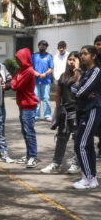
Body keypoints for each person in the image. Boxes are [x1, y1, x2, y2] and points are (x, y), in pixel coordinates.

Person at [40, 51, 81, 174]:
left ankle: (76, 165)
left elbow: (79, 85)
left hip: (77, 111)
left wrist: (78, 69)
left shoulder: (81, 75)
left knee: (77, 140)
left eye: (74, 59)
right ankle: (56, 163)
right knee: (61, 138)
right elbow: (58, 92)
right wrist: (57, 108)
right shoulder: (63, 76)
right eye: (70, 59)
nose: (71, 62)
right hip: (65, 112)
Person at [71, 45, 101, 189]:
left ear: (93, 56)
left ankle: (88, 177)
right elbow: (74, 88)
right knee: (87, 145)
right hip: (83, 110)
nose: (82, 57)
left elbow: (79, 91)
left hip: (91, 110)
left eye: (86, 54)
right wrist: (80, 90)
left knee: (81, 145)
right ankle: (90, 177)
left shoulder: (95, 71)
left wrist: (79, 90)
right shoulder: (86, 72)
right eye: (81, 54)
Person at [11, 48, 39, 168]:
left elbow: (16, 86)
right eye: (17, 59)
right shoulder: (22, 70)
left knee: (29, 132)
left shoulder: (28, 71)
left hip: (28, 105)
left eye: (19, 59)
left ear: (24, 59)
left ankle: (33, 156)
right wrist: (14, 80)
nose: (17, 62)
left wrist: (14, 81)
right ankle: (28, 155)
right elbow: (14, 81)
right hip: (23, 105)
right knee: (25, 131)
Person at [32, 40, 54, 122]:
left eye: (44, 45)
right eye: (41, 45)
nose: (42, 47)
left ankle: (47, 116)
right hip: (36, 81)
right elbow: (30, 67)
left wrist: (45, 74)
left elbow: (51, 68)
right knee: (36, 99)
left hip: (46, 81)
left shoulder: (49, 56)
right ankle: (36, 116)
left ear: (46, 47)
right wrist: (35, 73)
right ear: (38, 46)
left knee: (46, 99)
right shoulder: (34, 56)